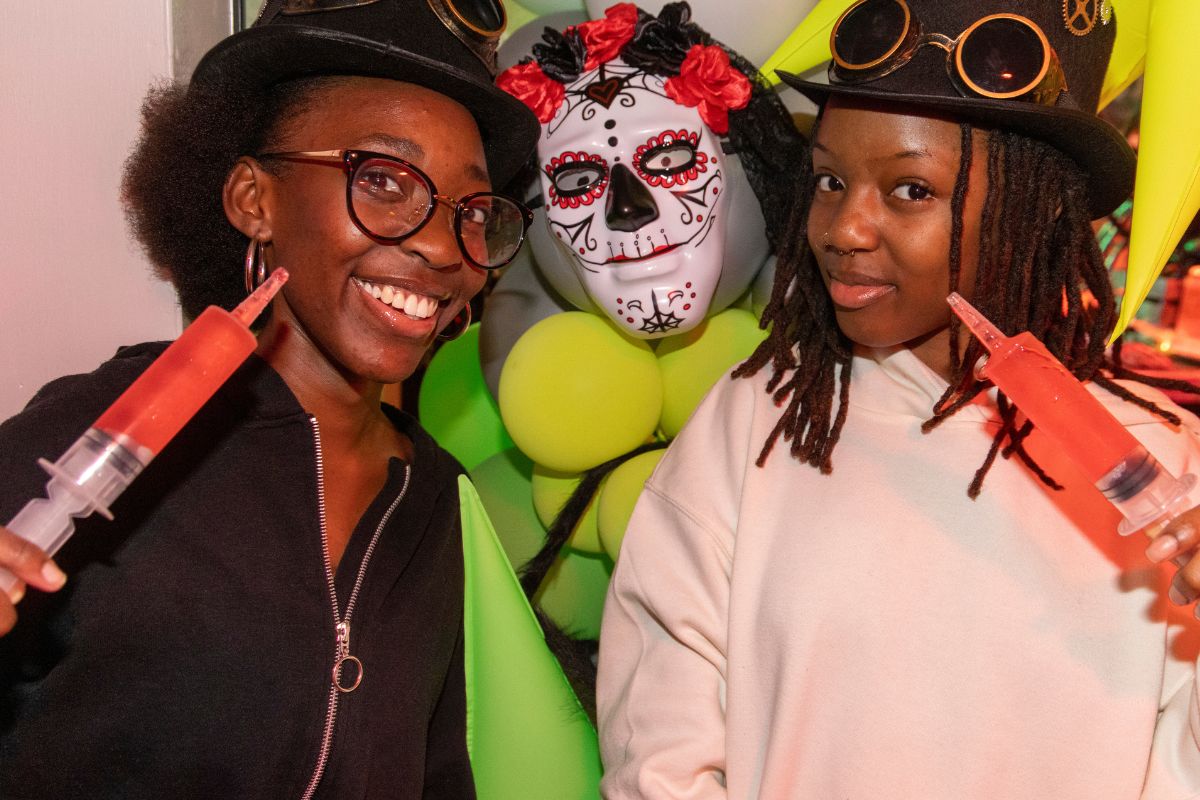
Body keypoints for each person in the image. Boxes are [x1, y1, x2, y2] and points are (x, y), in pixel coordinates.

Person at [597, 0, 1200, 797]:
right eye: (829, 180)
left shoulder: (1168, 467)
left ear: (1037, 207)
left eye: (911, 189)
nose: (845, 227)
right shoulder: (761, 422)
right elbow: (659, 750)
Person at [0, 0, 538, 796]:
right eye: (383, 180)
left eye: (469, 213)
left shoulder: (436, 502)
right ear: (255, 199)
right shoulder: (93, 430)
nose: (437, 245)